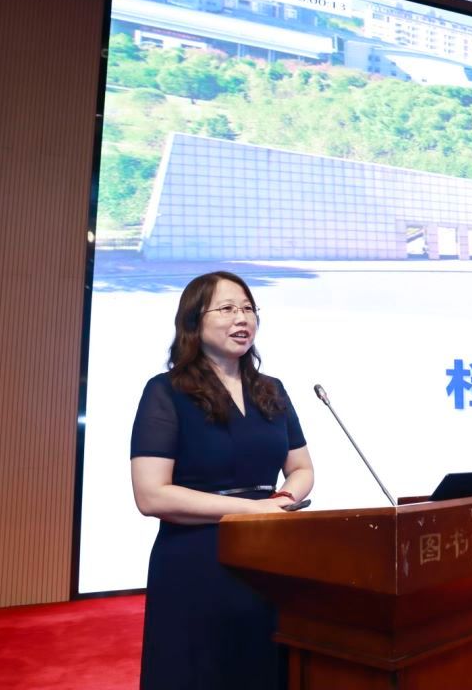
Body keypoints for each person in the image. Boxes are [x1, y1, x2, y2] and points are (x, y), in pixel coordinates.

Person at [130, 270, 314, 690]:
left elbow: (302, 468)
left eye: (248, 308)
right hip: (196, 561)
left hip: (269, 560)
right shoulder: (166, 392)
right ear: (194, 321)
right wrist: (255, 510)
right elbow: (151, 495)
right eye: (228, 308)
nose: (242, 318)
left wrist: (283, 499)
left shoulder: (271, 390)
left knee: (265, 670)